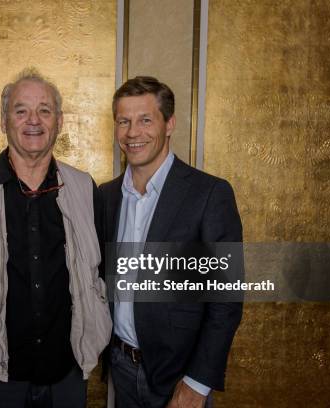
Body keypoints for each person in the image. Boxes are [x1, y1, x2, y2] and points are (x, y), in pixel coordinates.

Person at [0, 68, 112, 408]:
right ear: (4, 121)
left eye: (44, 110)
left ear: (59, 121)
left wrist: (100, 341)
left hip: (68, 373)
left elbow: (103, 273)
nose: (34, 120)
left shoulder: (85, 188)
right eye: (21, 110)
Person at [100, 76, 243, 408]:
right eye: (124, 121)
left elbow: (226, 301)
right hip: (121, 368)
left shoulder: (209, 195)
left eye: (145, 120)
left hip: (180, 378)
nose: (133, 132)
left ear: (169, 124)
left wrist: (197, 384)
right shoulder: (105, 197)